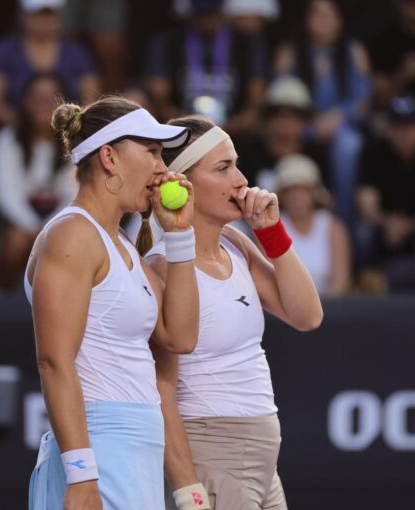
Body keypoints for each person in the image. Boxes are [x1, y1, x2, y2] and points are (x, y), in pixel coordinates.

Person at [25, 97, 200, 510]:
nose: (163, 169)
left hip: (135, 453)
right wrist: (81, 473)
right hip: (97, 450)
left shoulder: (119, 243)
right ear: (109, 157)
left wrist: (179, 236)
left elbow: (180, 337)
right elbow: (54, 361)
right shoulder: (72, 235)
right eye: (152, 152)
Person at [145, 115, 323, 510]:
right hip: (214, 453)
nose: (241, 180)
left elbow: (307, 316)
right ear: (179, 183)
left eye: (236, 164)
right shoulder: (163, 266)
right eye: (223, 168)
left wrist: (271, 231)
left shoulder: (235, 243)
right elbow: (161, 390)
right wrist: (187, 487)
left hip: (260, 461)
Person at [274, 0, 372, 225]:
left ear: (339, 21)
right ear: (306, 20)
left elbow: (363, 102)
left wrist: (337, 117)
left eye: (329, 15)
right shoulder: (290, 51)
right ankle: (281, 219)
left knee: (349, 146)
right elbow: (280, 96)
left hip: (341, 125)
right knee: (284, 135)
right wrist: (308, 121)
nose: (323, 21)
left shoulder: (354, 51)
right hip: (302, 124)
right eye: (317, 15)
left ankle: (343, 220)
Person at [355, 95, 415, 291]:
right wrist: (386, 222)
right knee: (363, 232)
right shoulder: (374, 150)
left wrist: (410, 225)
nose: (405, 135)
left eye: (411, 127)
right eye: (398, 127)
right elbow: (366, 204)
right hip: (385, 229)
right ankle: (363, 284)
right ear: (388, 129)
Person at [0, 73, 75, 291]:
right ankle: (0, 299)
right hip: (18, 222)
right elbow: (5, 193)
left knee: (69, 242)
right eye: (36, 97)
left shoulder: (75, 141)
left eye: (50, 98)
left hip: (61, 222)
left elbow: (74, 194)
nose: (43, 104)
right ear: (25, 101)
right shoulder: (7, 138)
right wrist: (34, 229)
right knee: (16, 241)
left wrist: (47, 229)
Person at [146, 0, 268, 133]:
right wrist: (178, 120)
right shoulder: (170, 41)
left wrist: (243, 120)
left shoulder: (245, 42)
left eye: (211, 14)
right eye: (202, 15)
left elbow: (257, 89)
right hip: (182, 124)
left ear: (222, 13)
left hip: (235, 124)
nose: (207, 21)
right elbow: (159, 90)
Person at [0, 0, 99, 128]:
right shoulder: (3, 52)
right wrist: (27, 129)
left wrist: (66, 128)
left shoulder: (77, 53)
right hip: (15, 132)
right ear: (22, 15)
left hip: (67, 133)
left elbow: (90, 99)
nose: (44, 20)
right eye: (37, 14)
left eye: (49, 14)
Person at [274, 154, 351, 296]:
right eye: (290, 191)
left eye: (303, 190)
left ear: (314, 194)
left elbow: (340, 280)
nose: (297, 197)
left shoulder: (333, 227)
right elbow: (271, 281)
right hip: (286, 307)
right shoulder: (270, 229)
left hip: (330, 306)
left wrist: (321, 308)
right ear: (281, 196)